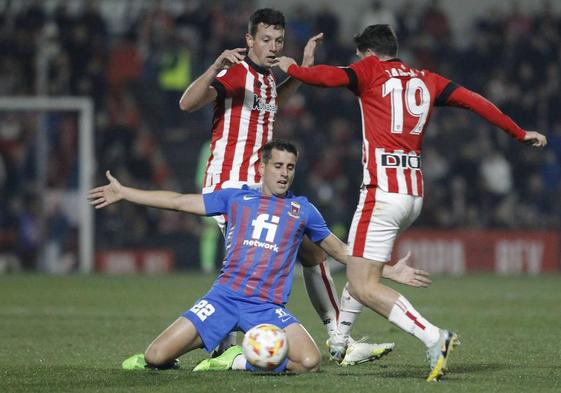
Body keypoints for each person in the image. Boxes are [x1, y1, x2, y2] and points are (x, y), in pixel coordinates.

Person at [275, 24, 547, 381]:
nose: (358, 62)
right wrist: (518, 132)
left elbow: (327, 77)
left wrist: (294, 68)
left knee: (362, 284)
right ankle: (340, 340)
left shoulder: (369, 70)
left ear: (369, 53)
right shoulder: (426, 79)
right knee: (360, 264)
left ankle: (434, 337)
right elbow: (475, 100)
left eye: (360, 56)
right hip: (413, 194)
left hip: (382, 191)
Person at [177, 8, 411, 365]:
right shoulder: (236, 73)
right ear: (249, 40)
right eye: (266, 40)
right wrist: (214, 67)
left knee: (313, 252)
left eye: (279, 41)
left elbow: (273, 103)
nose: (273, 47)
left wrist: (299, 72)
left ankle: (335, 338)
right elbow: (187, 103)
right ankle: (229, 348)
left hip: (261, 190)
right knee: (255, 266)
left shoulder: (268, 79)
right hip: (232, 186)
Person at [88, 139, 430, 373]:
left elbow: (341, 252)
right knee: (155, 357)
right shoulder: (235, 198)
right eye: (278, 165)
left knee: (309, 362)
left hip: (267, 309)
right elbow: (178, 201)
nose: (284, 173)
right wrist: (125, 193)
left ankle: (235, 359)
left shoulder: (303, 210)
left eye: (290, 167)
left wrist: (386, 271)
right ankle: (206, 349)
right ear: (262, 167)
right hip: (222, 298)